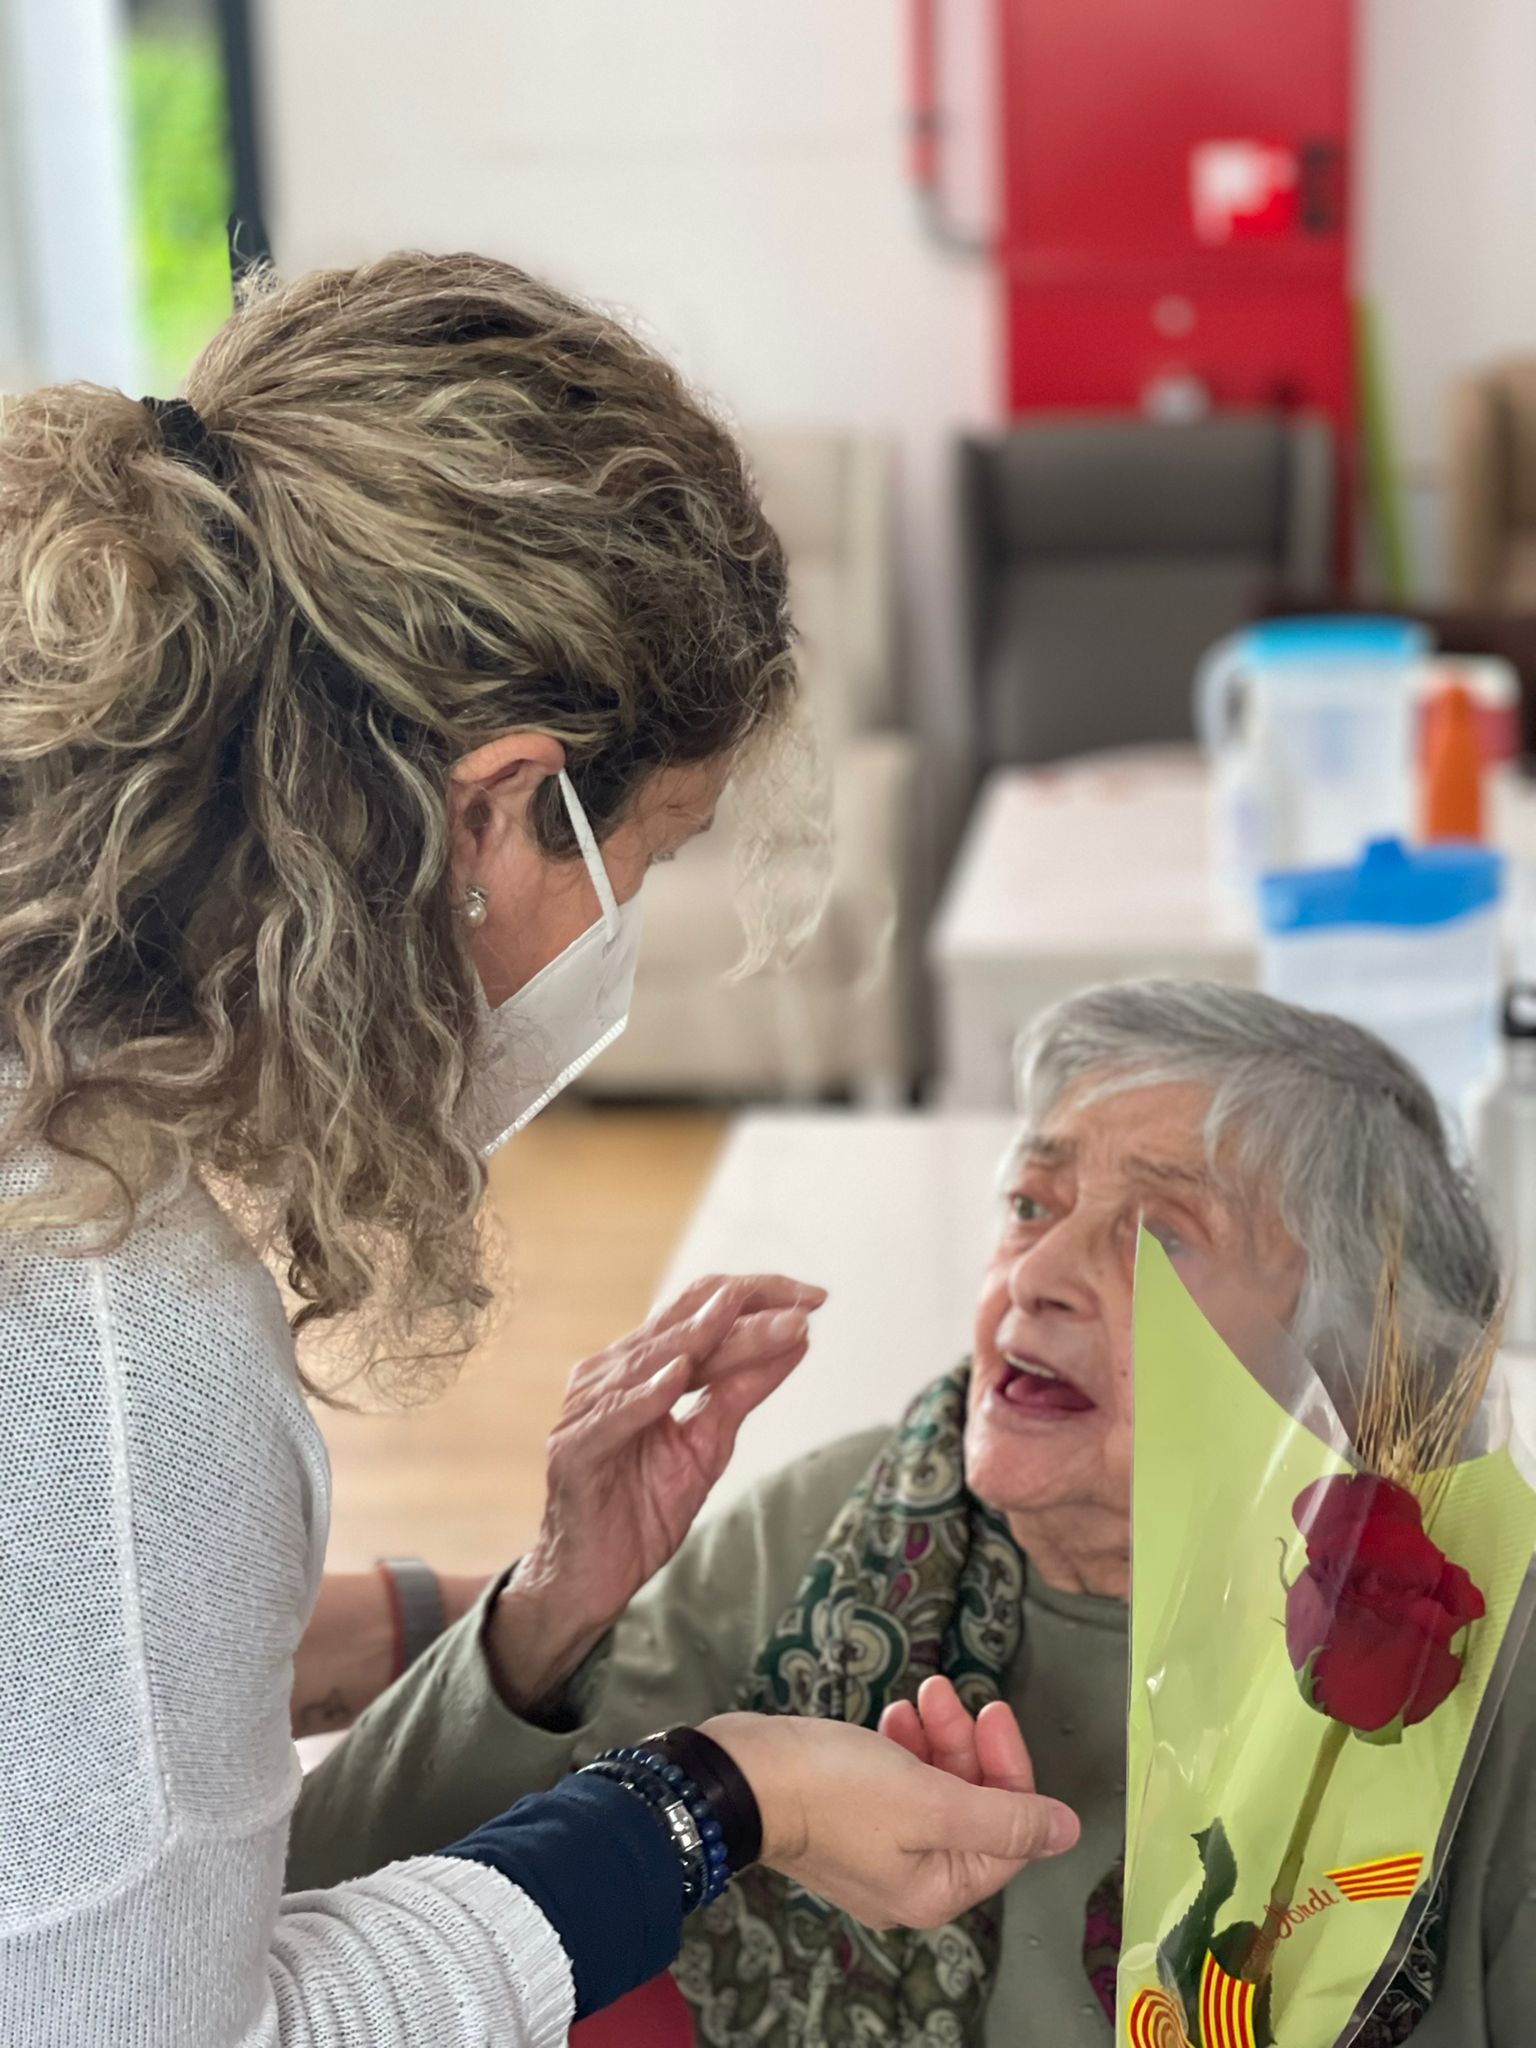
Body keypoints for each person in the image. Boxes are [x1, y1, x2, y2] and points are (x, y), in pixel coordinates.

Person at [0, 251, 1079, 2048]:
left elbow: (64, 1715)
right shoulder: (116, 1338)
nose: (615, 943)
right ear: (492, 807)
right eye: (638, 867)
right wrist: (720, 1797)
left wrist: (524, 1612)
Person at [289, 980, 1536, 2048]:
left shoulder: (1486, 1651)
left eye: (1159, 1233)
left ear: (1360, 1354)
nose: (1036, 1276)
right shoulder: (840, 1525)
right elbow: (327, 1912)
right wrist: (556, 1595)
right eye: (1033, 1205)